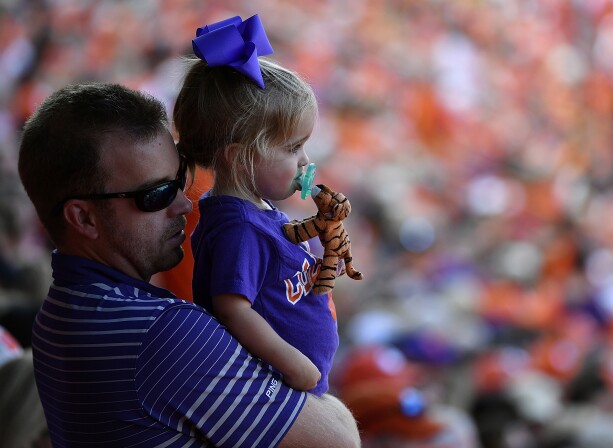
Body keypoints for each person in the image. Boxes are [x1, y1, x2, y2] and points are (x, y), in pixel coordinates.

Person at [18, 82, 360, 447]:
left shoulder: (56, 315)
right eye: (157, 194)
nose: (183, 204)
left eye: (180, 180)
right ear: (83, 218)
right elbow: (337, 440)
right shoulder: (161, 334)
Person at [173, 15, 338, 395]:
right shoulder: (239, 227)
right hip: (273, 390)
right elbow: (233, 309)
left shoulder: (254, 212)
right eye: (292, 147)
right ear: (238, 157)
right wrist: (295, 366)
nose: (304, 161)